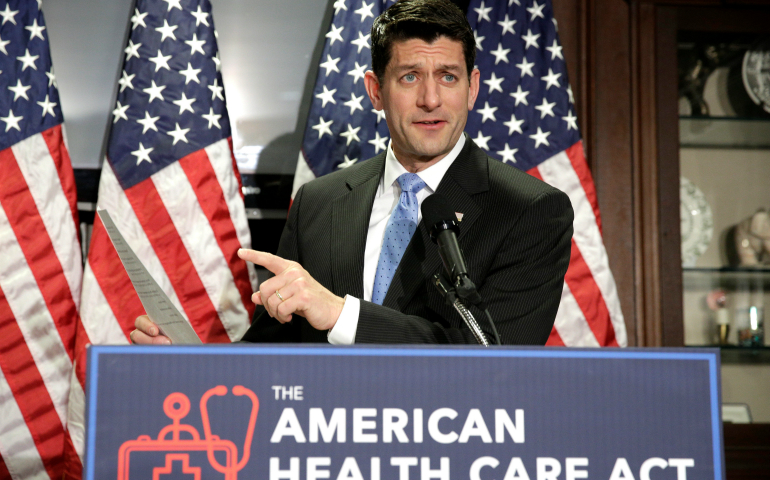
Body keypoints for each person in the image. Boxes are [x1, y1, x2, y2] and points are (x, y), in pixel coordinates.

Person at [132, 0, 573, 346]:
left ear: (473, 88)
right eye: (409, 77)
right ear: (375, 91)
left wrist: (341, 314)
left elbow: (493, 356)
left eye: (448, 77)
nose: (431, 99)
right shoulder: (318, 203)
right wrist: (182, 359)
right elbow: (274, 351)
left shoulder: (530, 211)